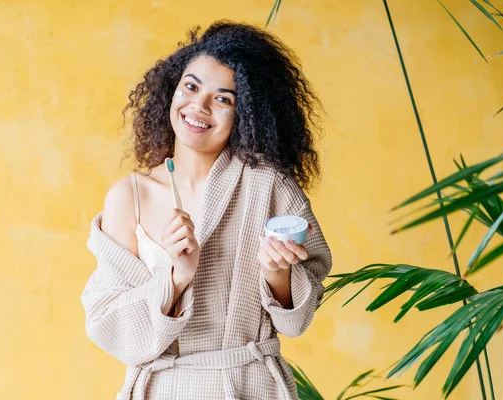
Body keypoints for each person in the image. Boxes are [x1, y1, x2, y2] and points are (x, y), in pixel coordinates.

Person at [81, 20, 332, 400]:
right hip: (161, 388)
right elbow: (109, 325)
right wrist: (175, 278)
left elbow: (298, 320)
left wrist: (277, 274)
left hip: (250, 385)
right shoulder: (128, 196)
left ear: (248, 114)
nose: (198, 106)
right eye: (191, 86)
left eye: (223, 98)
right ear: (172, 90)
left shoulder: (270, 188)